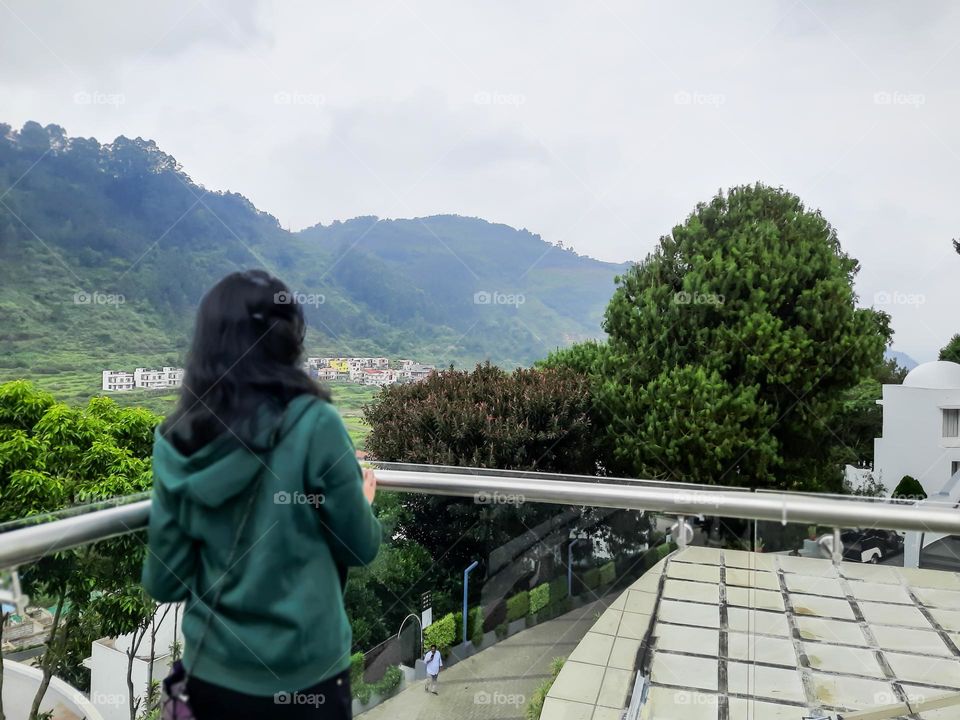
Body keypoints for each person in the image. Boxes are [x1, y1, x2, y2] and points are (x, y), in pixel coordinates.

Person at [142, 270, 381, 719]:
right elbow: (360, 546)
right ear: (289, 339)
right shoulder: (316, 423)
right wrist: (361, 506)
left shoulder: (177, 441)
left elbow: (165, 581)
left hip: (214, 679)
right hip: (309, 676)